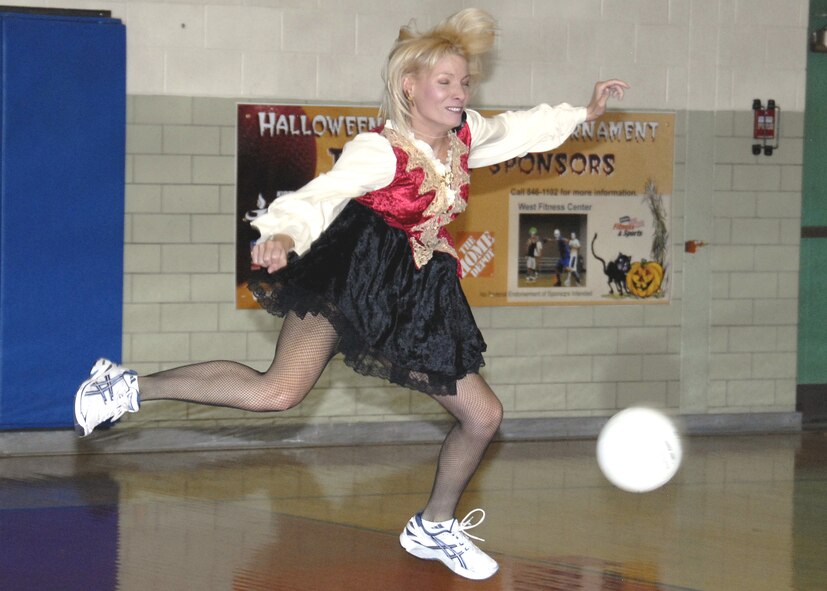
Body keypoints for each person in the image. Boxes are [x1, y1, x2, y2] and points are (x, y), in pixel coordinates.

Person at [73, 8, 628, 581]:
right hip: (353, 273)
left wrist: (581, 113)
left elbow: (516, 130)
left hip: (416, 288)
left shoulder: (465, 136)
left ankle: (434, 526)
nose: (460, 92)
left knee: (484, 415)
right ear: (410, 87)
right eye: (446, 81)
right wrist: (284, 231)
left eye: (465, 82)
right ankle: (127, 386)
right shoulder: (382, 149)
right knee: (278, 393)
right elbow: (325, 192)